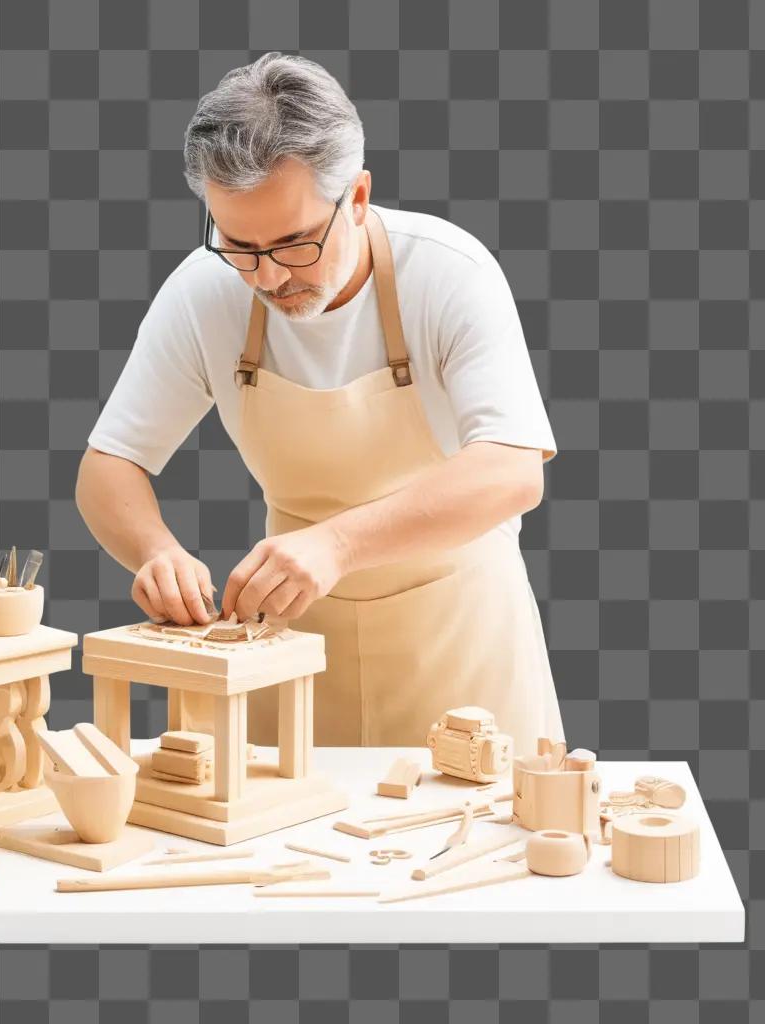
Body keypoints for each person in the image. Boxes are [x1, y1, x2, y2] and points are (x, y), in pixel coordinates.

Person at [76, 52, 565, 757]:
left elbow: (514, 470)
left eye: (294, 244)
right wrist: (155, 551)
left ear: (358, 198)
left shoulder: (450, 274)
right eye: (239, 246)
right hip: (290, 645)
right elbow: (109, 464)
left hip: (461, 642)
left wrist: (338, 543)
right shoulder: (206, 291)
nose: (268, 276)